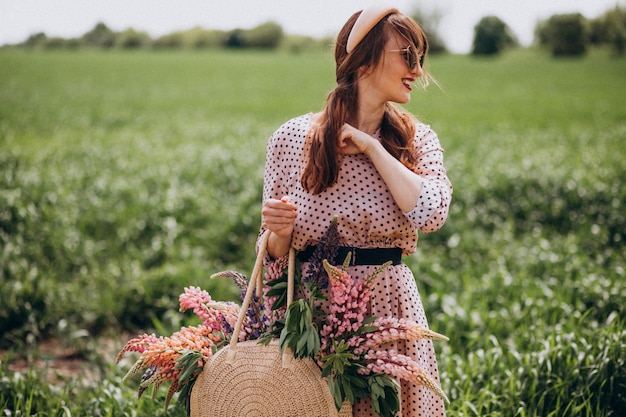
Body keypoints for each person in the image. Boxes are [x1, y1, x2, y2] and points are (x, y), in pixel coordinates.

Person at [260, 5, 452, 417]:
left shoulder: (416, 139)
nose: (417, 71)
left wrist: (373, 148)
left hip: (389, 315)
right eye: (407, 56)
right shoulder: (292, 139)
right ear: (364, 60)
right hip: (315, 317)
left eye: (419, 58)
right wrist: (278, 232)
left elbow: (431, 213)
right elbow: (272, 256)